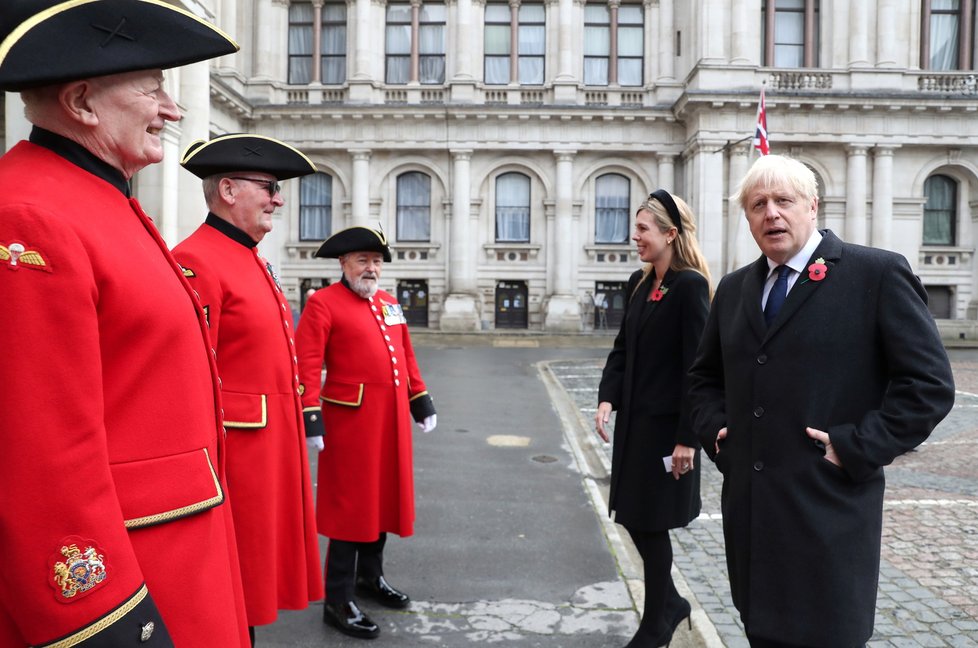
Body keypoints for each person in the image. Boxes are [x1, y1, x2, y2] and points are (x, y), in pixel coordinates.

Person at [0, 2, 251, 647]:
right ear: (82, 101)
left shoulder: (97, 197)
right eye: (154, 88)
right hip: (128, 580)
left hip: (178, 547)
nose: (173, 109)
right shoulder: (27, 214)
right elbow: (37, 452)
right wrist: (99, 619)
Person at [687, 154, 955, 647]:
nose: (771, 214)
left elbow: (930, 385)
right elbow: (704, 378)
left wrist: (855, 446)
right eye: (758, 204)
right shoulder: (732, 289)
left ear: (812, 206)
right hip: (753, 521)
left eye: (783, 201)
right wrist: (715, 430)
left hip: (829, 514)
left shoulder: (873, 274)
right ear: (746, 218)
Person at [171, 134, 325, 643]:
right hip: (236, 455)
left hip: (268, 446)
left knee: (254, 582)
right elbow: (190, 375)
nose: (278, 199)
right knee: (236, 580)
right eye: (269, 187)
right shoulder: (196, 259)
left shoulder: (251, 257)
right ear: (230, 189)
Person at [295, 226, 437, 640]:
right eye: (363, 260)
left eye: (376, 262)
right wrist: (310, 415)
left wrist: (420, 399)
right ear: (344, 264)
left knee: (382, 500)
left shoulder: (390, 303)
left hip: (389, 421)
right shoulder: (323, 303)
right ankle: (337, 599)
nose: (371, 269)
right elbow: (305, 363)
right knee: (351, 508)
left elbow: (405, 356)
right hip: (350, 424)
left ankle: (369, 579)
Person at [595, 191, 711, 648]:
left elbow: (697, 369)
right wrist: (607, 397)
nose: (635, 236)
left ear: (670, 234)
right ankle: (671, 604)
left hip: (668, 433)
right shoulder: (640, 283)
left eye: (643, 228)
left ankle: (655, 624)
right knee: (633, 516)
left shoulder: (690, 287)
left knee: (653, 521)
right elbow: (623, 348)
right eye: (636, 227)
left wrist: (688, 438)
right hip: (636, 430)